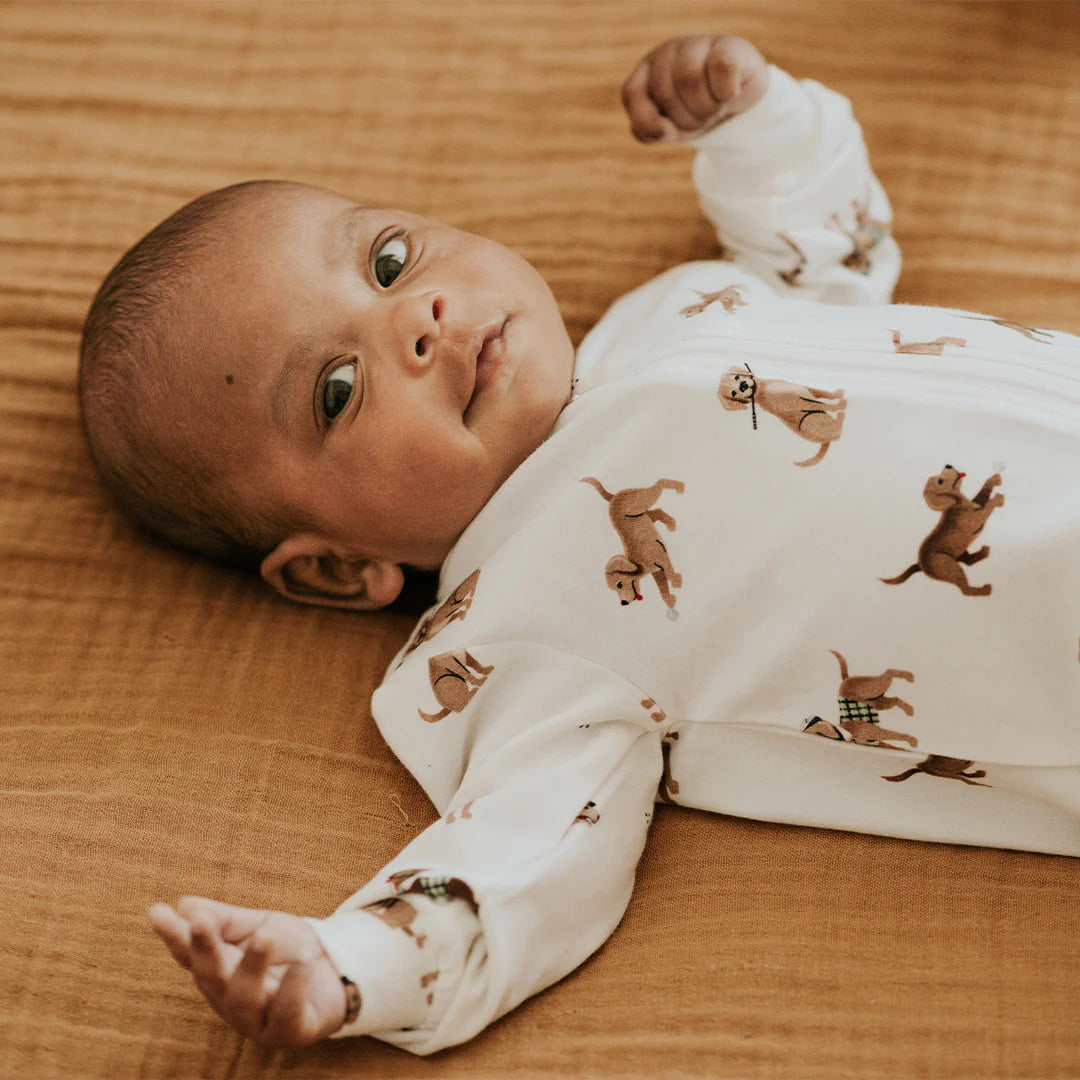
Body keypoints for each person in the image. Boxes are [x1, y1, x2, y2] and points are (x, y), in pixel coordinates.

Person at [77, 34, 1080, 1053]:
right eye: (338, 389)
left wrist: (753, 124)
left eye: (388, 260)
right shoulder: (514, 641)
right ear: (339, 569)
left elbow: (836, 254)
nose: (414, 321)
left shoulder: (674, 308)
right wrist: (353, 966)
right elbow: (523, 859)